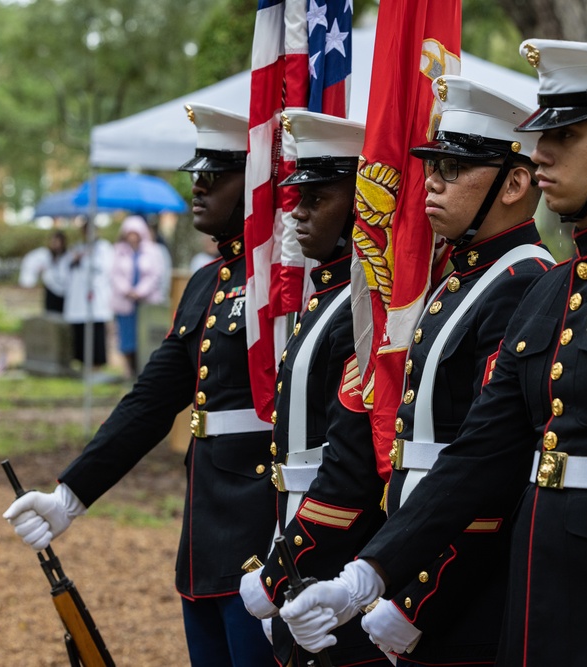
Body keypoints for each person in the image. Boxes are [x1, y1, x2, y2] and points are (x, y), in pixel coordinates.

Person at [279, 39, 587, 667]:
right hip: (540, 603)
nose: (541, 152)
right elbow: (479, 453)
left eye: (565, 134)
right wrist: (366, 575)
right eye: (544, 134)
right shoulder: (550, 291)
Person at [3, 103, 277, 667]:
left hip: (266, 527)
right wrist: (70, 495)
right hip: (205, 529)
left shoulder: (287, 282)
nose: (198, 185)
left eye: (215, 174)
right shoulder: (208, 282)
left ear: (257, 183)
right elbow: (151, 401)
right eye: (196, 172)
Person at [357, 76, 554, 665]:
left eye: (454, 167)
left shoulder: (523, 282)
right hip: (418, 550)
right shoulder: (463, 274)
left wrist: (421, 600)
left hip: (463, 587)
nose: (432, 181)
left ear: (516, 182)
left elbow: (494, 467)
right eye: (432, 164)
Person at [236, 111, 391, 667]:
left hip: (337, 551)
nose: (296, 214)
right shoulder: (327, 296)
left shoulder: (362, 307)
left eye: (317, 199)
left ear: (361, 203)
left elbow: (348, 465)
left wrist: (282, 571)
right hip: (296, 526)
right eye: (296, 198)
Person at [110, 215, 166, 376]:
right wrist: (127, 290)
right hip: (125, 302)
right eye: (130, 233)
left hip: (145, 301)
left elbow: (155, 274)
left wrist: (140, 291)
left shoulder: (152, 251)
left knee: (145, 336)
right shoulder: (118, 251)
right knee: (127, 337)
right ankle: (129, 369)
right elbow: (115, 274)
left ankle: (146, 369)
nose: (132, 237)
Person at [61, 221, 114, 368]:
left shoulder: (103, 248)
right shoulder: (77, 247)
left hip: (96, 296)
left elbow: (107, 269)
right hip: (78, 297)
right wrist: (76, 259)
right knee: (80, 330)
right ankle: (81, 360)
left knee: (96, 330)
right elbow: (65, 269)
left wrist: (89, 258)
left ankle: (98, 362)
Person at [18, 229, 67, 314]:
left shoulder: (67, 256)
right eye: (53, 241)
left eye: (57, 241)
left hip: (65, 292)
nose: (54, 244)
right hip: (51, 292)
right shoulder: (44, 255)